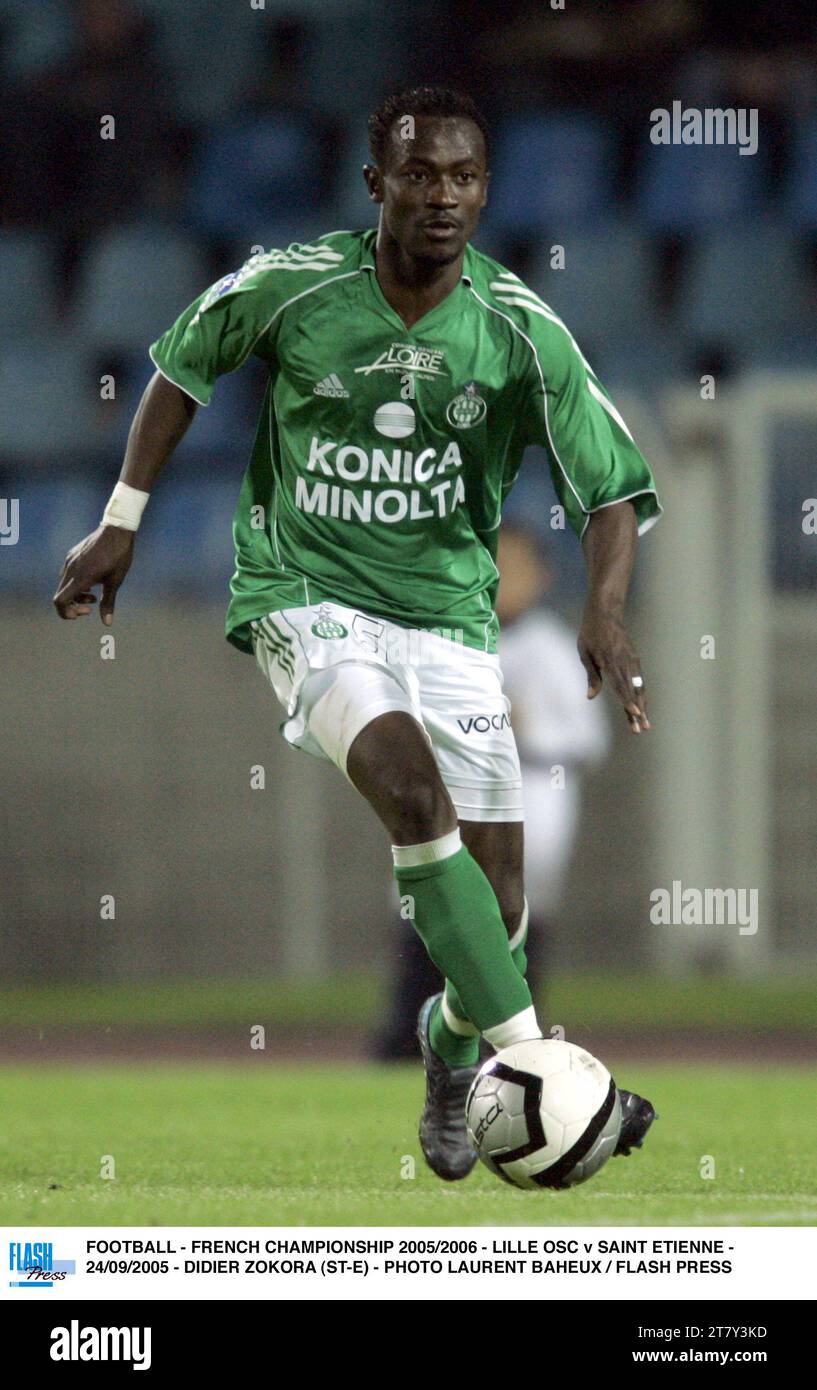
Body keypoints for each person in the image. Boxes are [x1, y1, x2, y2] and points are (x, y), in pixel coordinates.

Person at [54, 85, 660, 1183]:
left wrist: (603, 607)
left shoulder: (518, 328)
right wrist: (120, 518)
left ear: (486, 189)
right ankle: (551, 1079)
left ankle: (448, 1048)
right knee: (412, 795)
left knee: (502, 915)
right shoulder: (294, 287)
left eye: (465, 177)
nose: (443, 196)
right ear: (375, 182)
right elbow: (183, 366)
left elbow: (609, 487)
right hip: (303, 594)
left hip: (448, 616)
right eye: (420, 174)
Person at [371, 522, 610, 1060]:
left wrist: (526, 728)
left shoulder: (553, 646)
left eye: (517, 566)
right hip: (449, 792)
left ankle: (514, 1044)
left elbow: (588, 739)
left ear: (542, 576)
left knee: (515, 918)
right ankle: (407, 1039)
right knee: (427, 909)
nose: (503, 578)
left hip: (534, 792)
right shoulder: (441, 635)